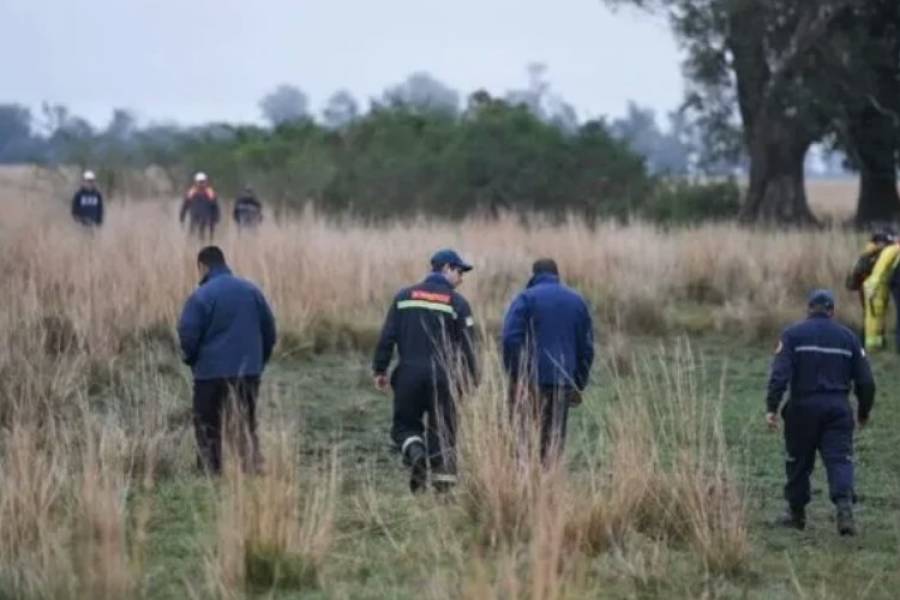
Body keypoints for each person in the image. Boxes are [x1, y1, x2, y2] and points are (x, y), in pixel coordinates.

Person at [766, 289, 875, 536]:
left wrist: (772, 407)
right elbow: (866, 382)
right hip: (837, 409)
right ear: (832, 311)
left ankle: (796, 514)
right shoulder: (849, 338)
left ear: (808, 309)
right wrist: (864, 412)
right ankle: (845, 509)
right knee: (839, 459)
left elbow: (779, 375)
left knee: (798, 462)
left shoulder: (792, 335)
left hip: (802, 408)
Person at [372, 249, 478, 493]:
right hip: (444, 378)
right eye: (459, 271)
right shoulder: (458, 303)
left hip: (408, 376)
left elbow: (387, 336)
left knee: (404, 427)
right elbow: (469, 346)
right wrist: (471, 380)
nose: (461, 278)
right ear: (446, 269)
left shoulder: (403, 296)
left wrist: (380, 368)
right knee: (443, 431)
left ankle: (416, 453)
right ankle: (443, 492)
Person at [177, 246, 277, 474]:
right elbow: (270, 331)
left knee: (207, 425)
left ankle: (210, 472)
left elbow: (188, 334)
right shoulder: (252, 291)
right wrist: (259, 363)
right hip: (248, 372)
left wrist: (192, 360)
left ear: (202, 267)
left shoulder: (202, 295)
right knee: (245, 423)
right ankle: (250, 471)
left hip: (210, 374)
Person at [501, 258, 594, 462]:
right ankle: (548, 484)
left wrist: (517, 375)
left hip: (529, 381)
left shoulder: (525, 298)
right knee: (553, 438)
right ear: (557, 275)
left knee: (522, 437)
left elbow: (510, 338)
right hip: (561, 381)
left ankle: (522, 484)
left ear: (533, 275)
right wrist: (578, 382)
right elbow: (586, 348)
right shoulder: (577, 301)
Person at [862, 233, 900, 351]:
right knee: (875, 314)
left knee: (877, 315)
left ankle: (877, 343)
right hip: (877, 286)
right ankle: (873, 345)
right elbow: (880, 270)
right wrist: (872, 288)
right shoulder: (893, 251)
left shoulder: (891, 251)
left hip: (881, 285)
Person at [180, 172, 220, 238]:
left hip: (207, 218)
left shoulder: (210, 192)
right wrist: (182, 217)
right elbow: (185, 205)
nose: (201, 184)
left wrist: (216, 218)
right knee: (192, 234)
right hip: (194, 216)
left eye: (203, 182)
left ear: (206, 182)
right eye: (199, 182)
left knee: (205, 235)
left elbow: (215, 206)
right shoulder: (191, 192)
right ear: (196, 182)